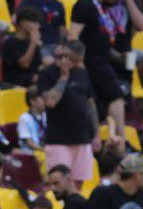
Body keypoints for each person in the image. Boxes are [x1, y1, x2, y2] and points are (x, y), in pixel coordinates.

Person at [68, 0, 143, 149]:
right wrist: (77, 62)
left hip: (104, 60)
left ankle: (114, 140)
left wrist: (117, 56)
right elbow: (73, 37)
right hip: (90, 62)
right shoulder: (85, 4)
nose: (116, 1)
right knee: (116, 96)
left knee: (105, 105)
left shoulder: (101, 8)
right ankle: (122, 141)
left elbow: (100, 40)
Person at [37, 41, 98, 184]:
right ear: (63, 55)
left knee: (78, 185)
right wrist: (64, 76)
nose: (76, 64)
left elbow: (90, 104)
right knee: (58, 184)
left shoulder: (82, 72)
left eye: (78, 61)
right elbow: (50, 101)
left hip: (82, 138)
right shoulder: (47, 73)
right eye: (72, 59)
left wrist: (96, 133)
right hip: (58, 139)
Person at [2, 7, 45, 88]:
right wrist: (33, 43)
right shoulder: (11, 42)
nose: (37, 26)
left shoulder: (33, 41)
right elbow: (25, 64)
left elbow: (38, 64)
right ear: (22, 23)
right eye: (34, 22)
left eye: (38, 23)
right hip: (15, 80)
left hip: (32, 76)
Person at [17, 87, 47, 152]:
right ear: (32, 101)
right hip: (31, 153)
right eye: (42, 98)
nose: (46, 101)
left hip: (45, 150)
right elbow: (29, 142)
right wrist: (44, 150)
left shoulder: (46, 115)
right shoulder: (24, 118)